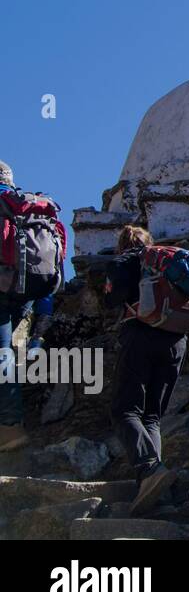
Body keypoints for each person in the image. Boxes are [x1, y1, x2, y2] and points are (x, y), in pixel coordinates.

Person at [106, 225, 184, 514]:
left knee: (125, 410)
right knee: (152, 415)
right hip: (177, 340)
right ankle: (154, 488)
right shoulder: (171, 261)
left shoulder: (125, 260)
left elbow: (113, 298)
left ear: (122, 244)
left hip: (140, 336)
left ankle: (150, 470)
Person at [0, 160, 60, 452]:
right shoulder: (29, 208)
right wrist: (39, 331)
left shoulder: (7, 209)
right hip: (27, 292)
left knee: (2, 356)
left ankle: (11, 426)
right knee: (7, 351)